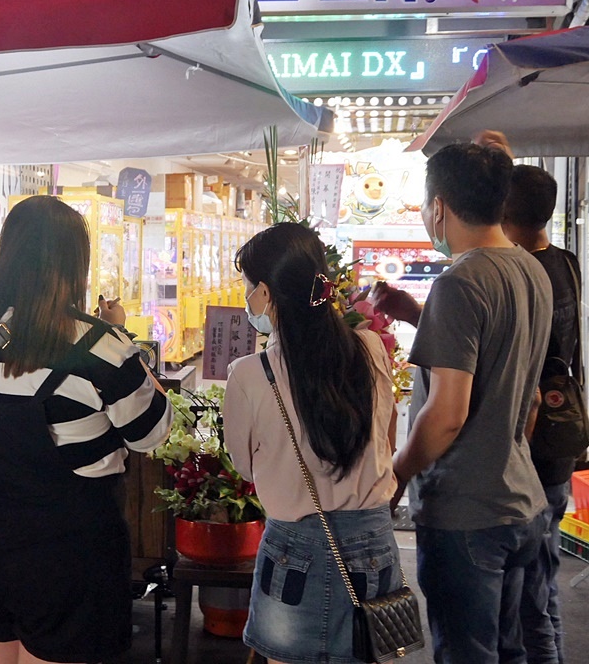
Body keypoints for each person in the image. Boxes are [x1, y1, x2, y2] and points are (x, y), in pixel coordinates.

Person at [0, 195, 171, 664]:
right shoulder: (102, 344)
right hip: (64, 548)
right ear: (75, 263)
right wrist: (128, 344)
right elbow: (150, 433)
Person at [379, 142, 551, 663]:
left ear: (439, 207)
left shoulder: (460, 281)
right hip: (523, 504)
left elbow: (447, 415)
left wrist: (398, 473)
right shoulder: (532, 271)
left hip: (466, 517)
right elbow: (534, 400)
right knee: (510, 651)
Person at [222, 222, 401, 664]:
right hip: (373, 542)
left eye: (249, 287)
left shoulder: (249, 374)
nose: (248, 298)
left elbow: (244, 465)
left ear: (265, 294)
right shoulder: (370, 348)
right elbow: (389, 435)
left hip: (293, 549)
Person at [499, 161, 580, 664]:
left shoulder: (524, 274)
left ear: (503, 210)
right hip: (559, 447)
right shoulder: (566, 262)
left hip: (531, 453)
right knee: (541, 590)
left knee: (527, 600)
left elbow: (509, 354)